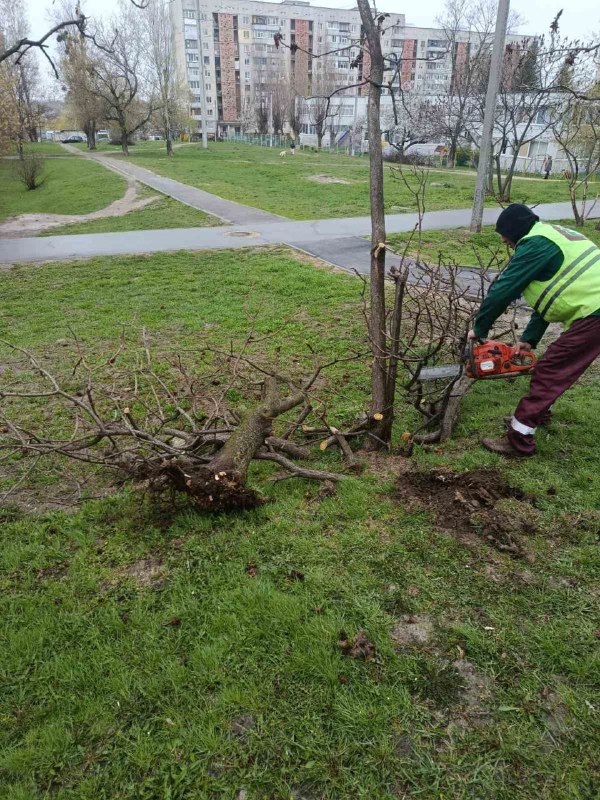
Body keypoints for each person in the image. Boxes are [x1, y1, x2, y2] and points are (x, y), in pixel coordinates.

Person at [468, 203, 600, 457]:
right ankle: (537, 415)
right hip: (592, 312)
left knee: (551, 369)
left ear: (516, 230)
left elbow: (503, 290)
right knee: (552, 367)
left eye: (505, 234)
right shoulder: (550, 236)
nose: (504, 241)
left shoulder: (535, 244)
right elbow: (550, 296)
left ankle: (519, 439)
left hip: (594, 314)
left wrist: (479, 328)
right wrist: (529, 339)